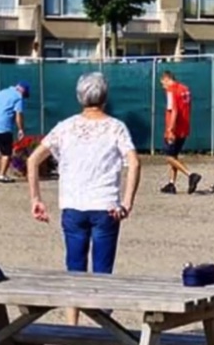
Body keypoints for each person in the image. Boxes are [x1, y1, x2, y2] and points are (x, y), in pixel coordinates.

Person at [27, 72, 141, 326]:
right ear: (105, 96)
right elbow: (133, 162)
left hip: (73, 205)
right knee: (103, 271)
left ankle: (72, 327)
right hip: (106, 206)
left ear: (79, 97)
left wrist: (36, 198)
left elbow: (32, 159)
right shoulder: (115, 127)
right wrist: (127, 203)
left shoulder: (65, 127)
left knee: (74, 268)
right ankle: (104, 327)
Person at [159, 70, 201, 194]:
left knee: (168, 156)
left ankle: (191, 175)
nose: (163, 86)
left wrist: (170, 129)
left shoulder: (171, 90)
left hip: (175, 129)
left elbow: (174, 111)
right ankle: (171, 184)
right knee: (174, 156)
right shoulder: (185, 89)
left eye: (163, 83)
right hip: (184, 127)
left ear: (167, 79)